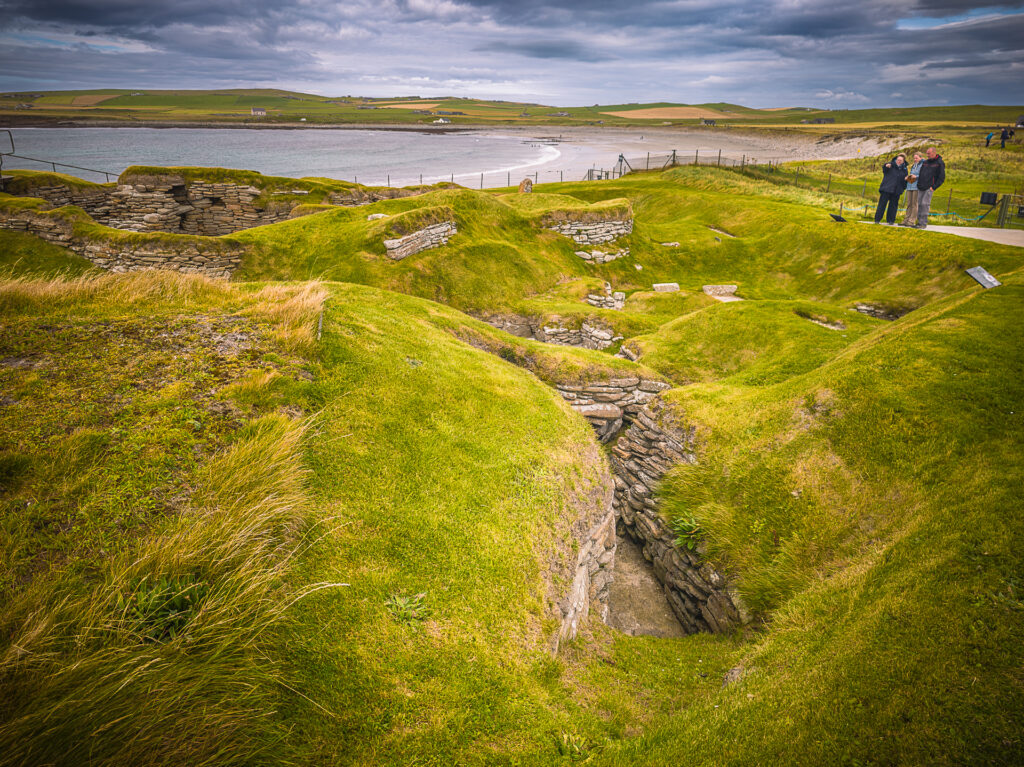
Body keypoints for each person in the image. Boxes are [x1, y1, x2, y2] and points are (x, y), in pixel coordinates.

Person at [911, 146, 945, 229]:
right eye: (927, 153)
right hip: (921, 187)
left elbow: (941, 178)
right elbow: (922, 173)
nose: (927, 155)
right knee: (919, 204)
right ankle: (919, 223)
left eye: (929, 153)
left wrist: (933, 187)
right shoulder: (925, 162)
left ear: (934, 153)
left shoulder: (939, 163)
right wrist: (919, 184)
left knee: (925, 204)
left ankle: (923, 223)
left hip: (929, 188)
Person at [874, 153, 907, 225]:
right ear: (896, 159)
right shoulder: (890, 164)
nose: (899, 161)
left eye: (900, 160)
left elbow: (904, 180)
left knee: (893, 206)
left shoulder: (904, 169)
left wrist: (903, 188)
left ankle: (891, 220)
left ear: (903, 161)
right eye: (898, 160)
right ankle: (877, 220)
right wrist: (886, 166)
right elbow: (884, 169)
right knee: (882, 205)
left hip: (897, 190)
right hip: (886, 188)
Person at [899, 152, 924, 227]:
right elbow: (912, 174)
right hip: (910, 186)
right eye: (914, 158)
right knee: (909, 203)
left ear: (920, 158)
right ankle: (906, 220)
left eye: (916, 158)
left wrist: (916, 177)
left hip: (917, 187)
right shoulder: (913, 165)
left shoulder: (923, 165)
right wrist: (908, 177)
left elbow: (923, 175)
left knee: (914, 204)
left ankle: (911, 221)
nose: (915, 159)